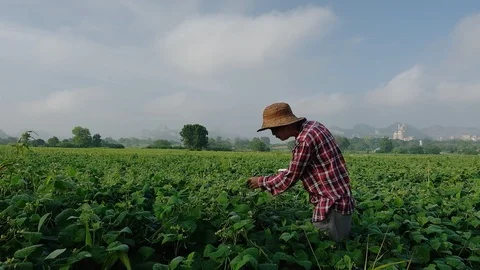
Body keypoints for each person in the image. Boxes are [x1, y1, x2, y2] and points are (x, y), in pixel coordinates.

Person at [247, 102, 355, 242]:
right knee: (335, 246)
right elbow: (308, 166)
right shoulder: (315, 126)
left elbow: (291, 177)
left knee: (329, 249)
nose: (273, 134)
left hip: (331, 204)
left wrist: (261, 181)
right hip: (340, 199)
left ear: (286, 124)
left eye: (274, 129)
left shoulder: (305, 140)